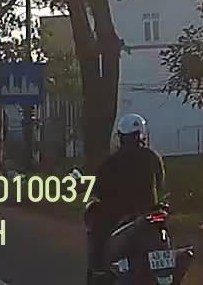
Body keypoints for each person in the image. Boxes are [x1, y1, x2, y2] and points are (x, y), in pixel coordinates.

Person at [86, 114, 168, 283]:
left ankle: (99, 271)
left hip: (120, 216)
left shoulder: (111, 162)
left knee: (97, 230)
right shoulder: (153, 157)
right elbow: (161, 184)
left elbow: (99, 190)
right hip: (149, 213)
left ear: (121, 136)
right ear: (142, 134)